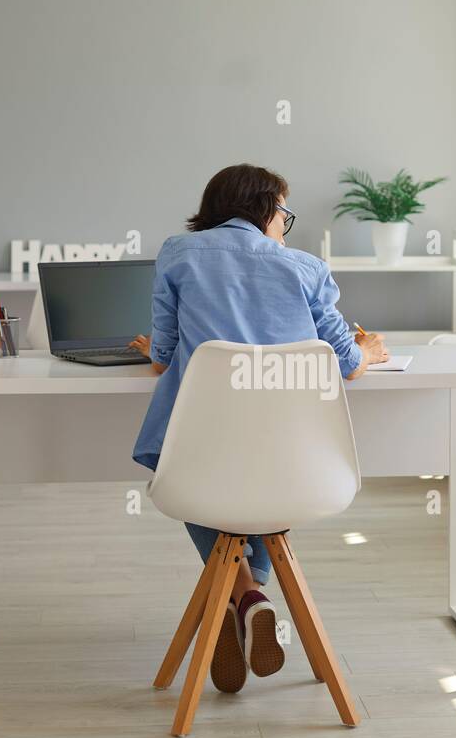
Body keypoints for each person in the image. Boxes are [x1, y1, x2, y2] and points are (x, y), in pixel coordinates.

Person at [130, 163, 388, 694]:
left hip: (201, 458)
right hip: (297, 464)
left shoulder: (178, 253)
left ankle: (239, 596)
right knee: (265, 484)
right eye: (284, 215)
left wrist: (158, 351)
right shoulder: (308, 269)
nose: (283, 227)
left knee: (186, 469)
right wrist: (368, 350)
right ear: (267, 209)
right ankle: (251, 596)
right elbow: (344, 365)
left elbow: (161, 358)